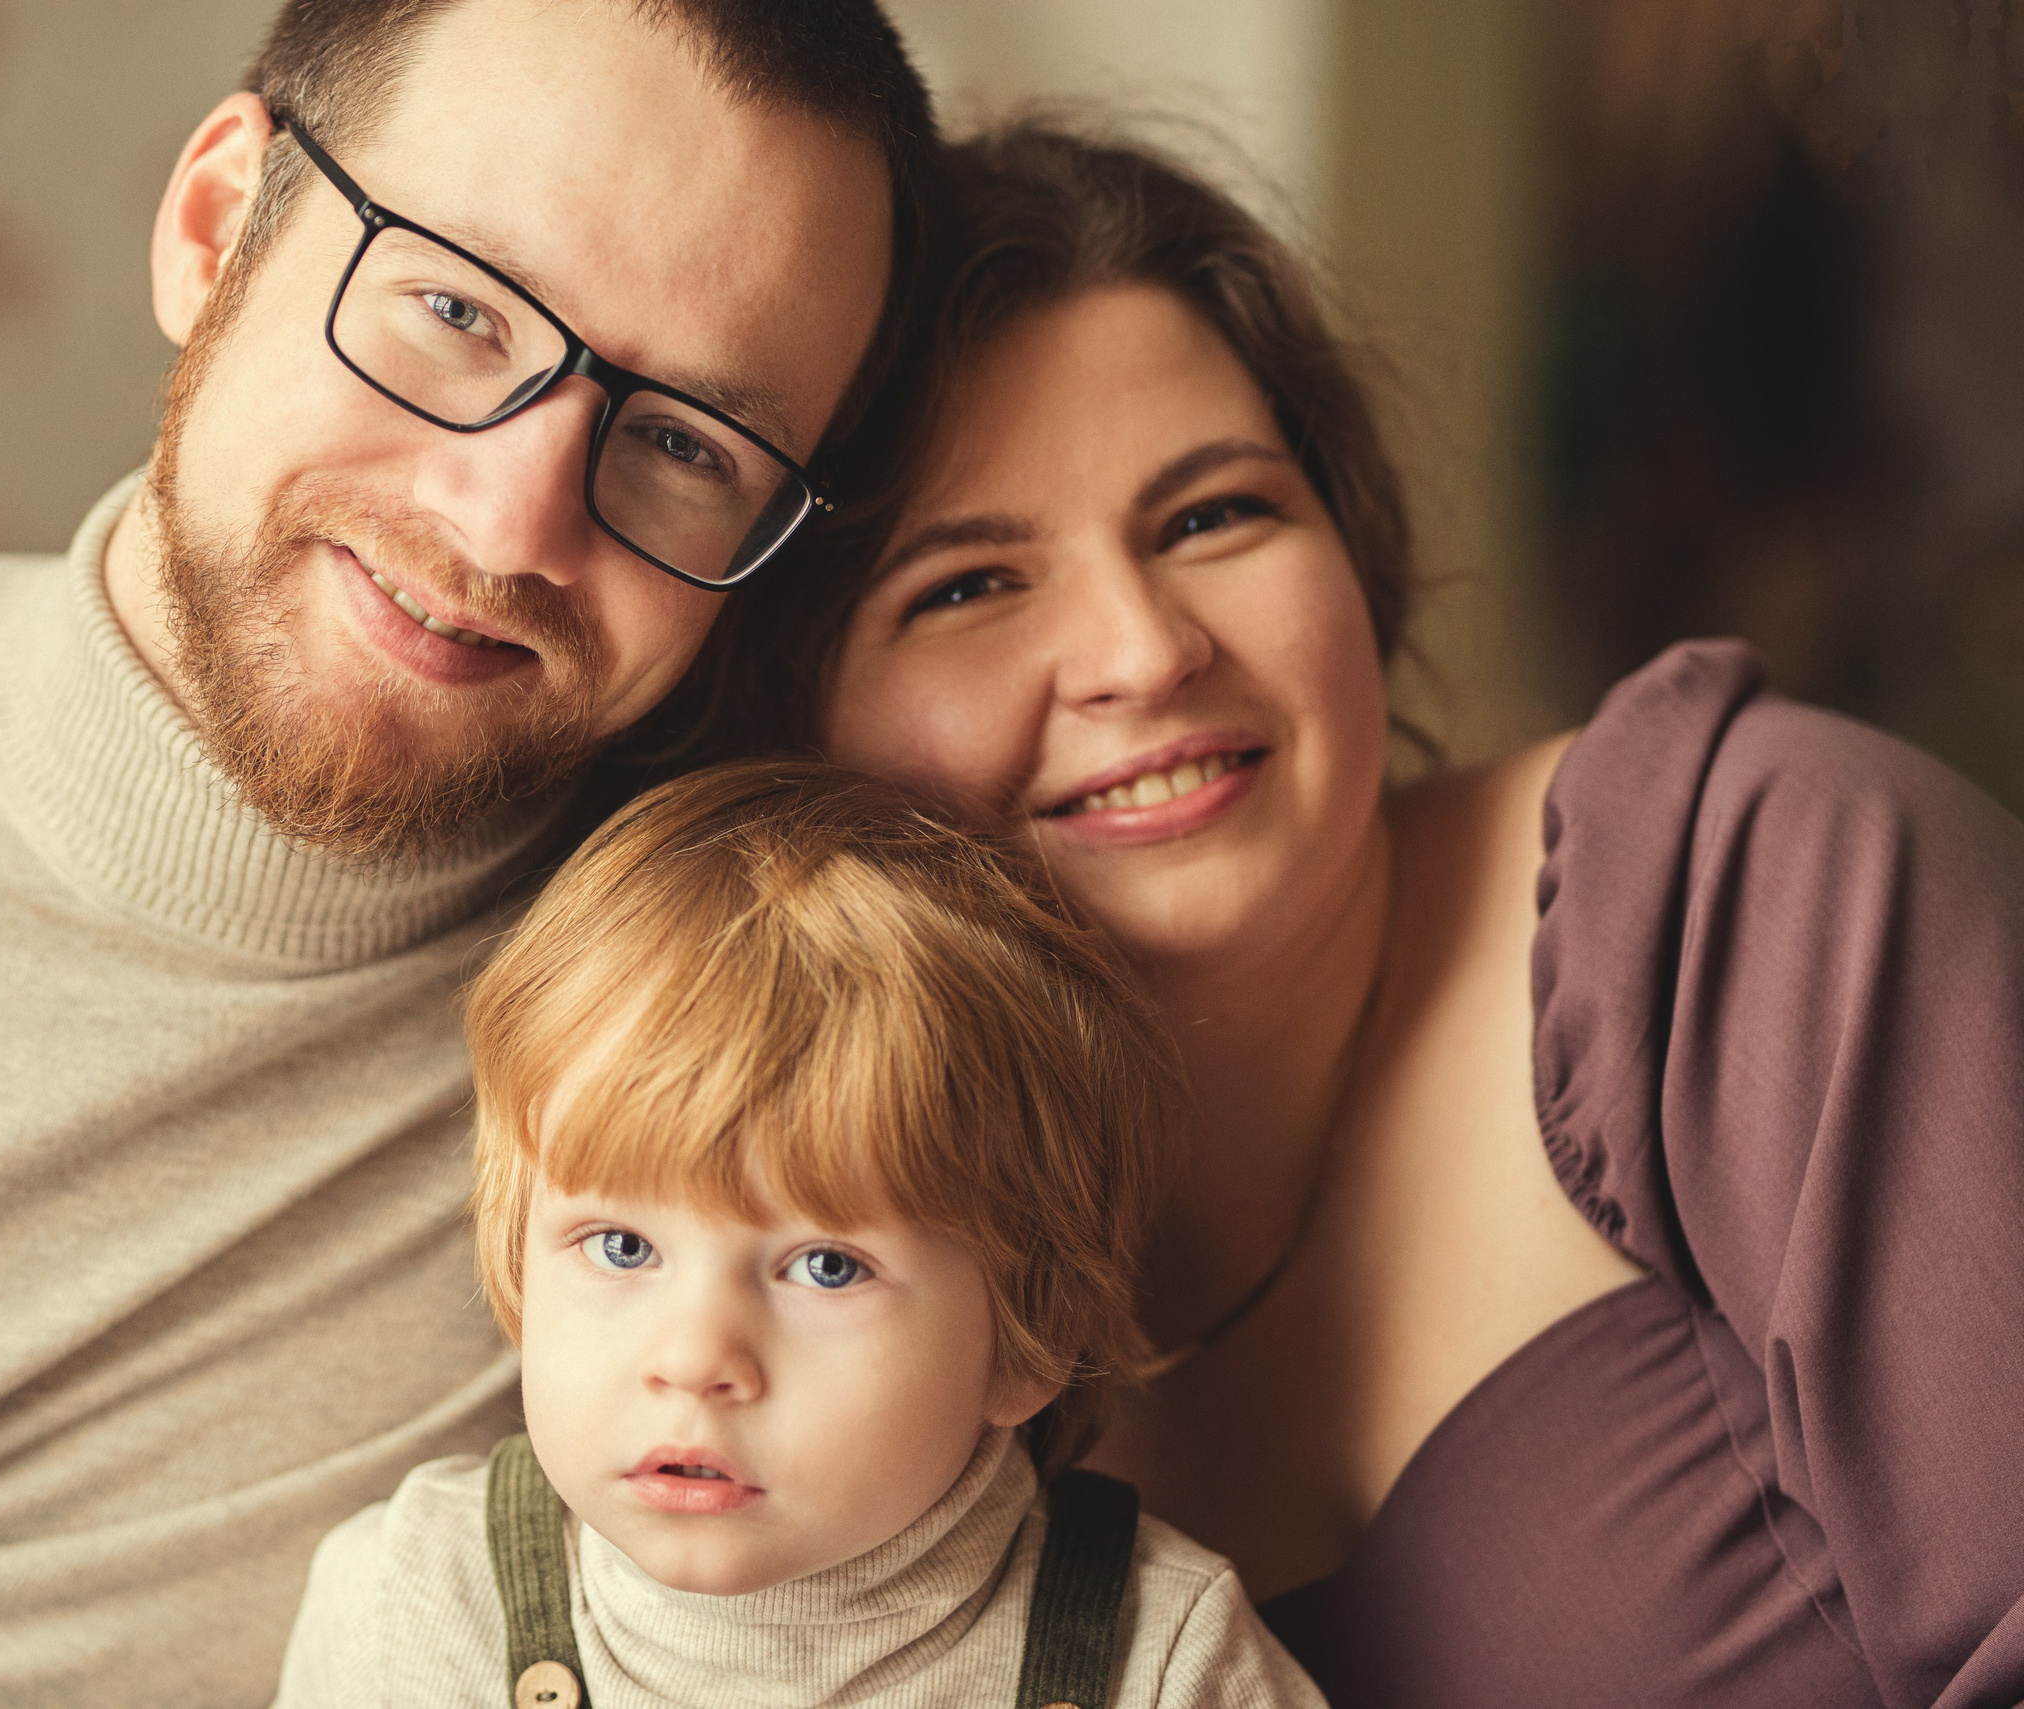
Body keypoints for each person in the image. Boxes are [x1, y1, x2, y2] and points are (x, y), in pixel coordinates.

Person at [0, 3, 933, 1702]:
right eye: (454, 310)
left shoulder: (748, 1021)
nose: (505, 520)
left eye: (684, 442)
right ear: (213, 227)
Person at [774, 123, 2024, 1709]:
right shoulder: (792, 1275)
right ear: (793, 740)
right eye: (966, 586)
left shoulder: (1758, 884)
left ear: (1355, 554)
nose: (1145, 651)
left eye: (1212, 516)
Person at [271, 759, 1324, 1709]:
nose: (694, 1358)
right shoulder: (408, 1606)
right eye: (621, 1246)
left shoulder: (1160, 1660)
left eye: (825, 1266)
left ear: (1027, 1334)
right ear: (515, 1259)